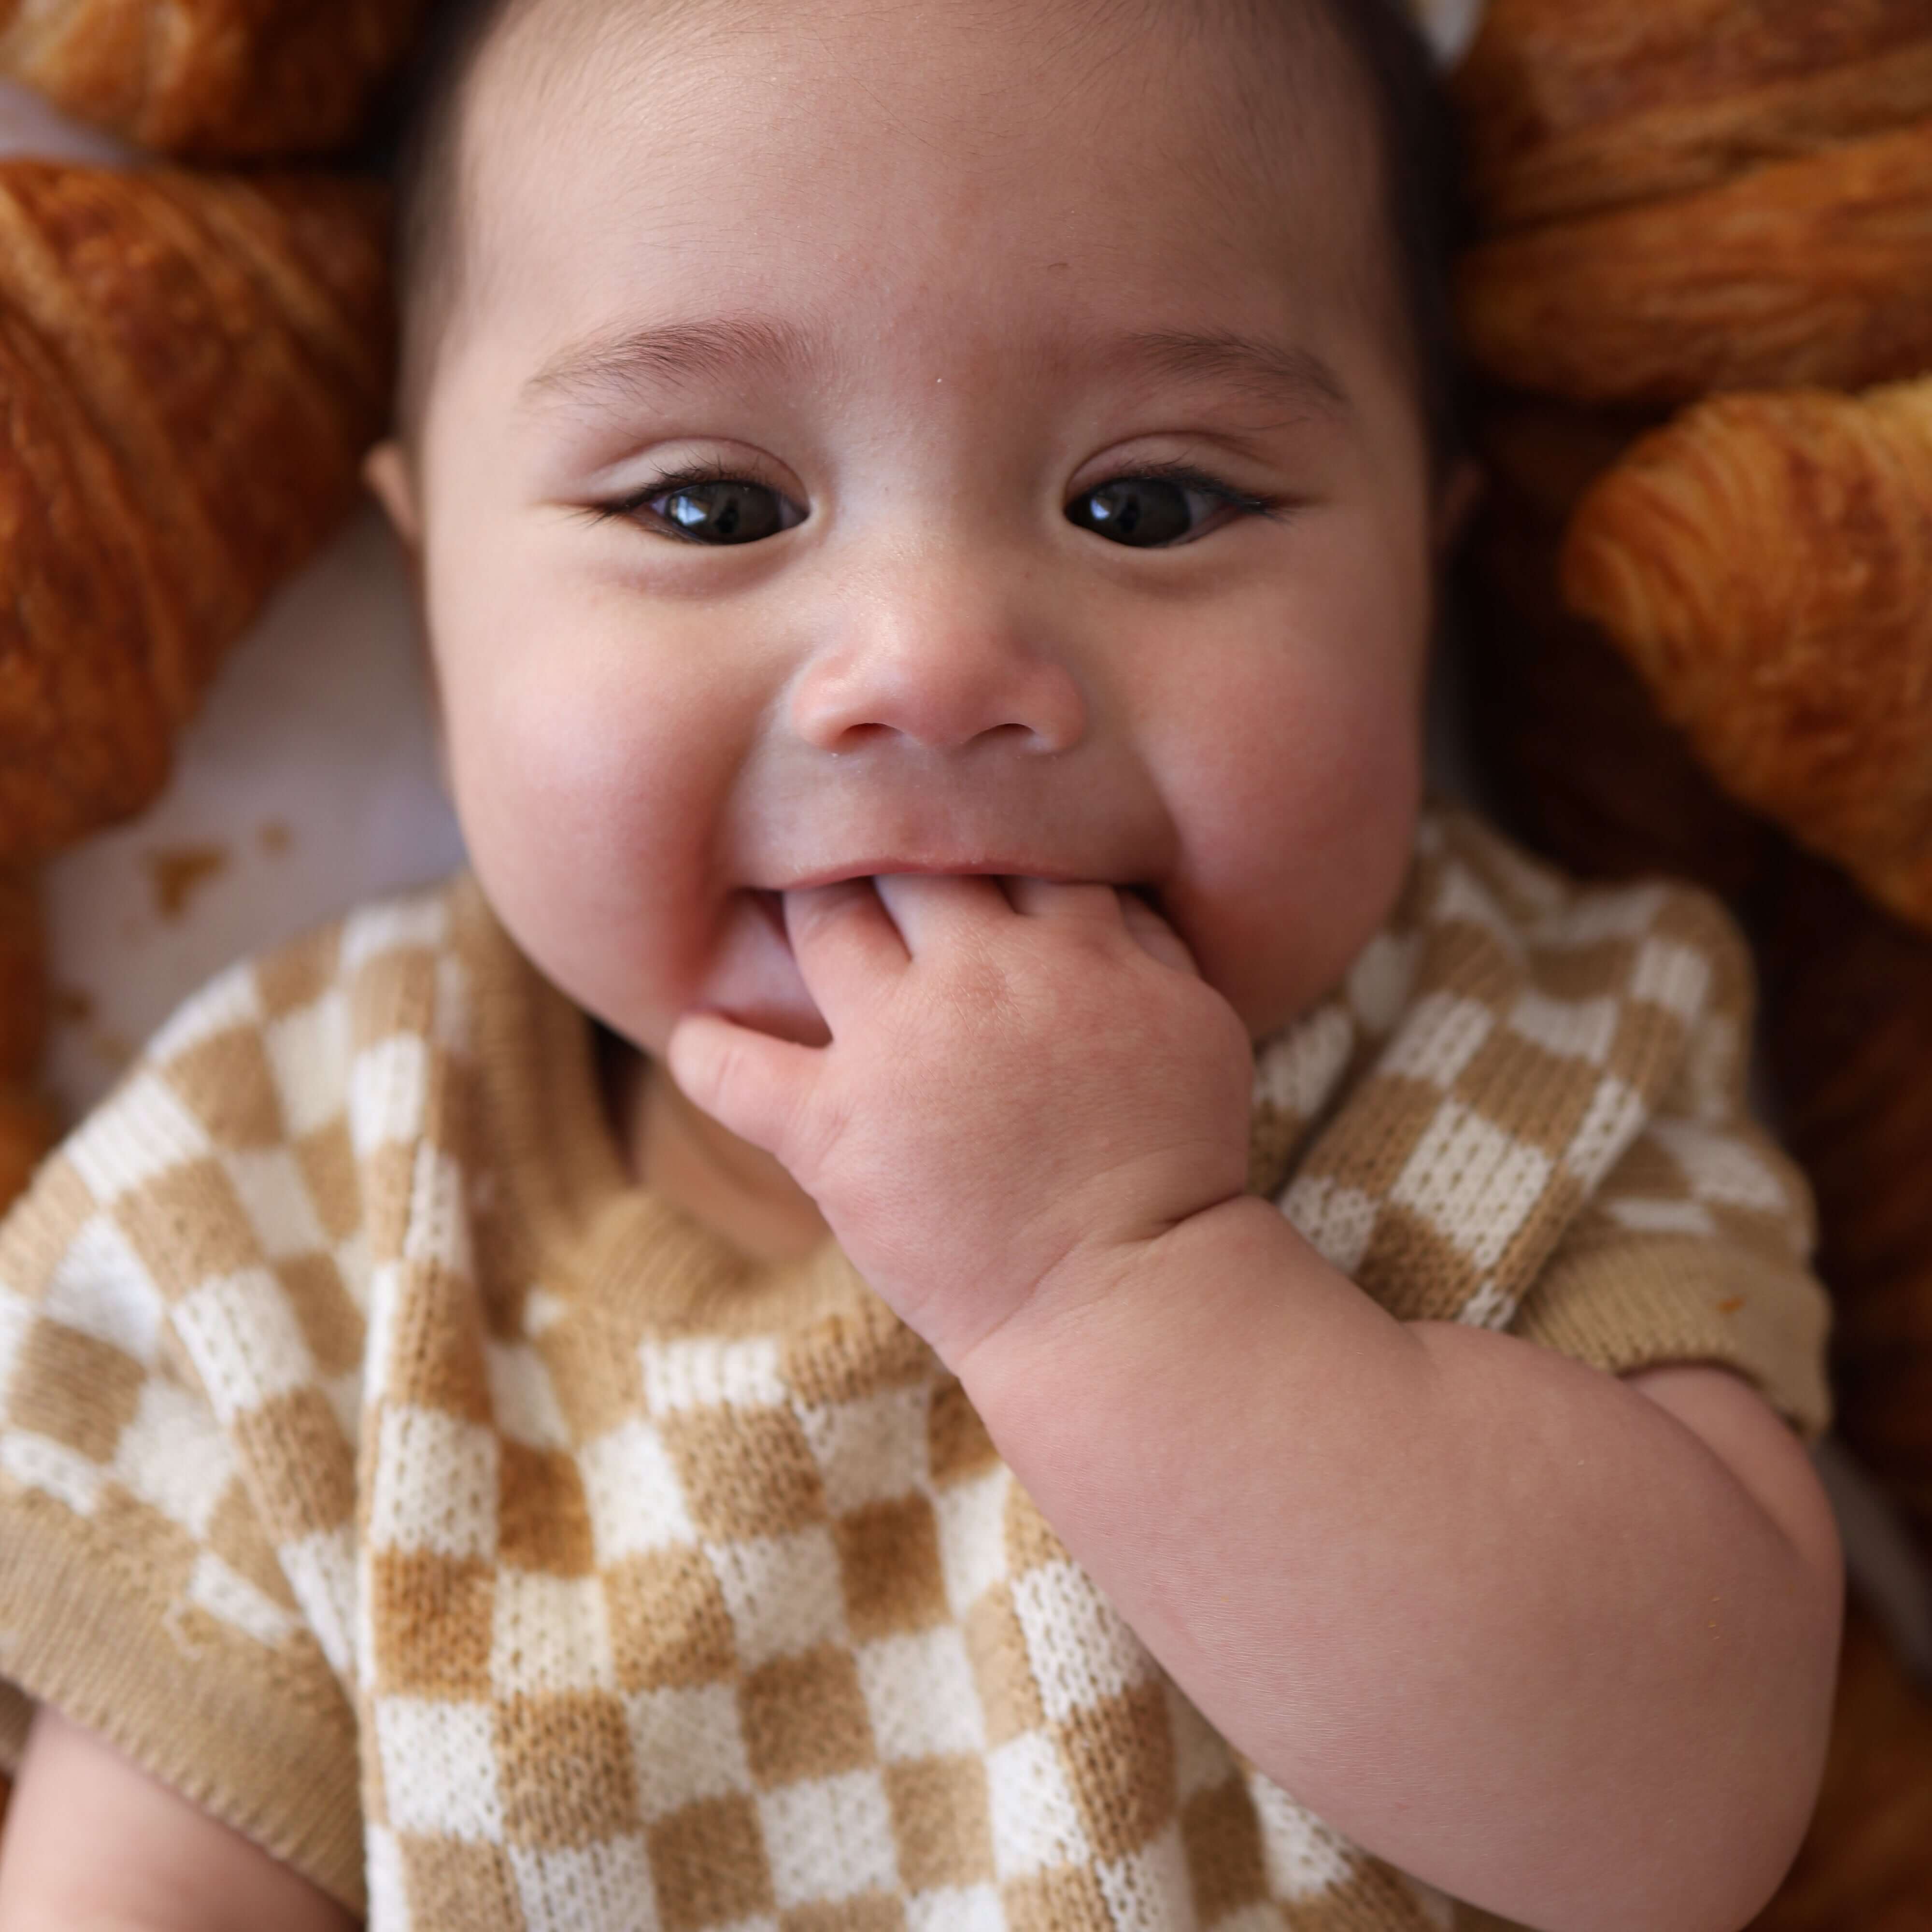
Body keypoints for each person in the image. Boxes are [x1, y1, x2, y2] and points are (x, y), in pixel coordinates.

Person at [0, 0, 1843, 1927]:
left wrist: (1115, 1277)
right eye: (712, 505)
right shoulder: (288, 1196)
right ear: (433, 592)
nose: (932, 659)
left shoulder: (1518, 1052)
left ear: (1419, 584)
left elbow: (1675, 1822)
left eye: (1150, 503)